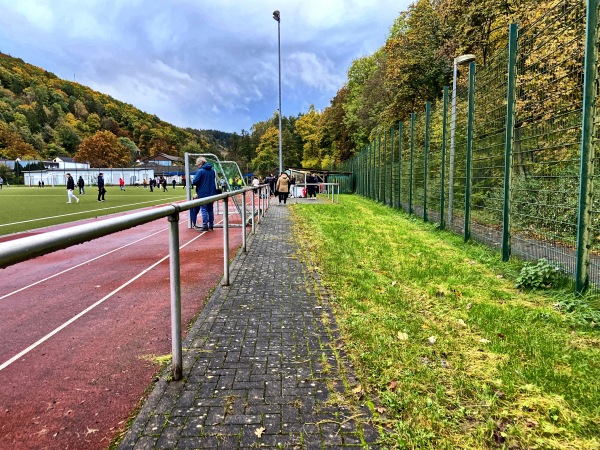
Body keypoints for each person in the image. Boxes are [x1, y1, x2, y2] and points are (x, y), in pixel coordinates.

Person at [192, 156, 217, 231]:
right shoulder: (212, 171)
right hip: (212, 193)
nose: (198, 166)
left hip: (203, 193)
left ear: (201, 163)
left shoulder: (200, 171)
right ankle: (211, 225)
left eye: (198, 164)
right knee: (210, 209)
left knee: (203, 209)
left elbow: (195, 181)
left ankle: (205, 225)